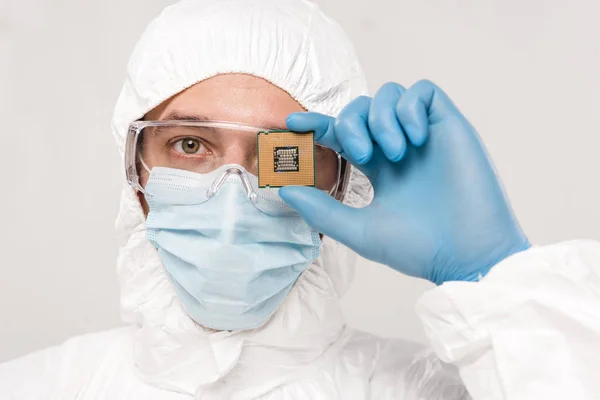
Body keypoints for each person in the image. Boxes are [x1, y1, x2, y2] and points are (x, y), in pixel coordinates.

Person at [2, 0, 600, 398]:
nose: (232, 198)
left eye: (277, 155)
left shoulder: (437, 390)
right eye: (189, 144)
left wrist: (496, 277)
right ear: (135, 171)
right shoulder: (39, 387)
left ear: (342, 179)